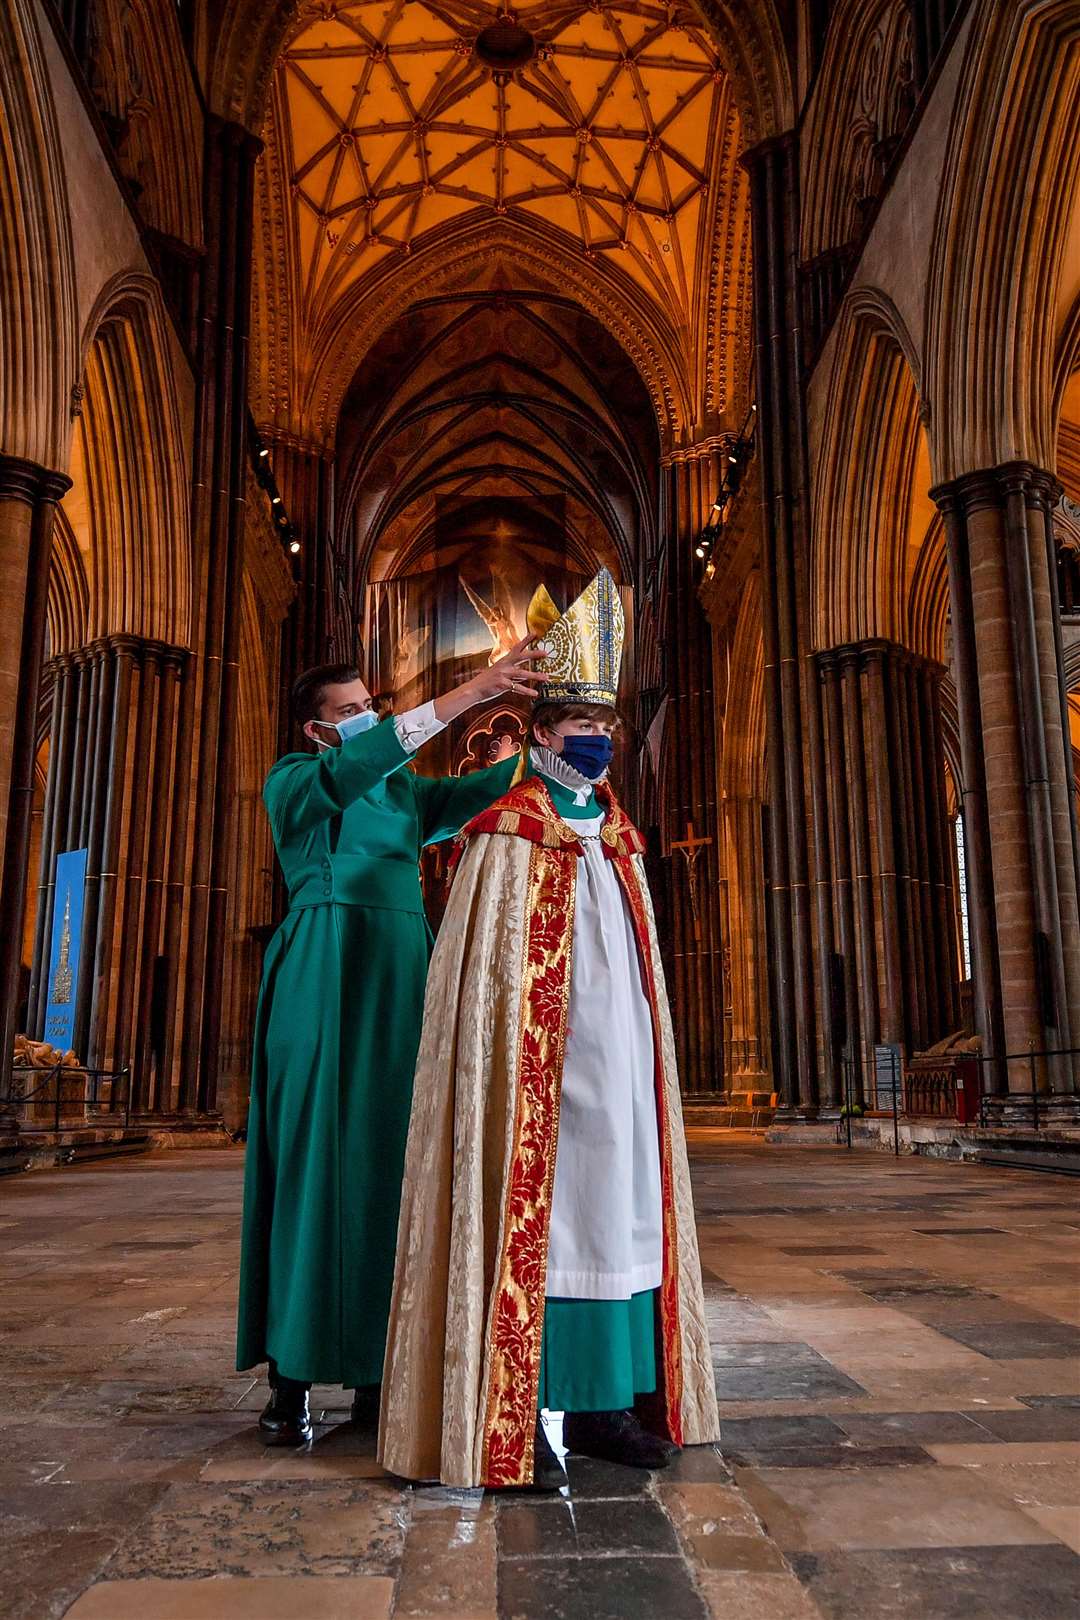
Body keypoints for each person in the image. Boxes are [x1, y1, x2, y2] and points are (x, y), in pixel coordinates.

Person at [379, 569, 718, 1490]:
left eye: (606, 727)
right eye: (581, 726)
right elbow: (482, 984)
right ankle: (511, 1412)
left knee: (619, 1226)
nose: (597, 740)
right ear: (536, 734)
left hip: (621, 1086)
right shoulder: (504, 833)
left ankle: (606, 1408)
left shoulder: (621, 837)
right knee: (536, 1223)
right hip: (533, 1085)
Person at [237, 639, 546, 1446]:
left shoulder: (406, 792)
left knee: (395, 1167)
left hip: (402, 969)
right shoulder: (297, 779)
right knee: (314, 1163)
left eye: (372, 704)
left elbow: (482, 796)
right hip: (326, 967)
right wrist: (461, 696)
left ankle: (382, 1374)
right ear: (316, 729)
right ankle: (292, 1378)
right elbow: (355, 770)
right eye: (352, 711)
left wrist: (546, 743)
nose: (368, 718)